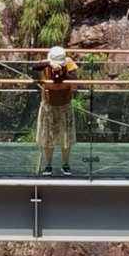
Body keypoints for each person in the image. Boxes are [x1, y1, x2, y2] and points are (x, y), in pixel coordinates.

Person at [36, 45, 78, 174]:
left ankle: (65, 164)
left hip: (65, 104)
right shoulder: (45, 64)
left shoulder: (69, 64)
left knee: (66, 137)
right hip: (48, 104)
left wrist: (63, 73)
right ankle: (48, 165)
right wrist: (49, 64)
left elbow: (75, 84)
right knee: (48, 136)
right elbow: (34, 67)